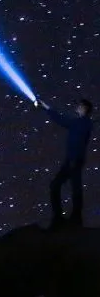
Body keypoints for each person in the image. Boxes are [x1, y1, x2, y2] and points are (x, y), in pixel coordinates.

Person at [36, 97, 93, 229]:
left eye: (79, 105)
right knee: (65, 186)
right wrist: (47, 108)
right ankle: (68, 218)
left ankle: (69, 219)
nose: (77, 107)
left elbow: (62, 121)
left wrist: (47, 108)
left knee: (71, 187)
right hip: (73, 160)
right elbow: (62, 120)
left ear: (84, 108)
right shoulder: (82, 123)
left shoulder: (82, 123)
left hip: (74, 160)